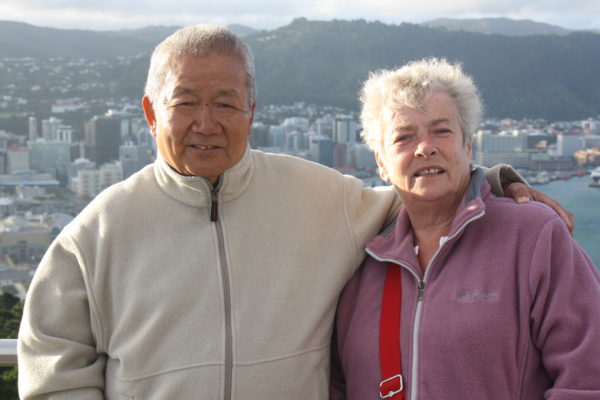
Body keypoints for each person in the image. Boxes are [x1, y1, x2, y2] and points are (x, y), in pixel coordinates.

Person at [18, 26, 570, 399]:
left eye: (226, 103)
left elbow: (414, 198)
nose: (206, 122)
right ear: (150, 113)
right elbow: (54, 366)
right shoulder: (97, 232)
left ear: (252, 111)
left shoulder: (320, 197)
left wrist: (495, 184)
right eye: (186, 102)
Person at [330, 58, 600, 399]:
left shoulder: (534, 235)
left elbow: (588, 377)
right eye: (404, 137)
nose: (425, 147)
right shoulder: (361, 264)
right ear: (382, 163)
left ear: (468, 146)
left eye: (441, 131)